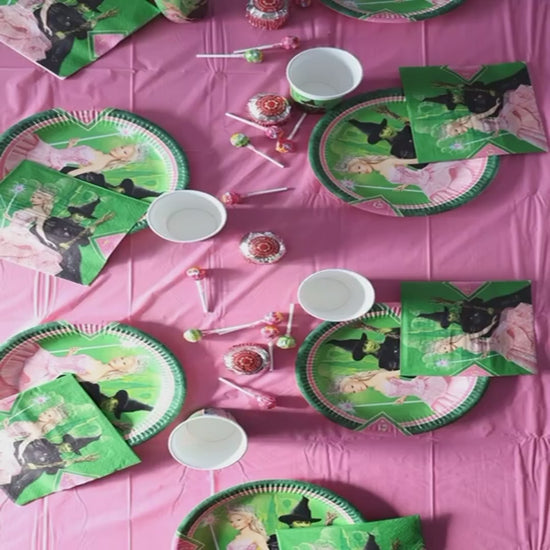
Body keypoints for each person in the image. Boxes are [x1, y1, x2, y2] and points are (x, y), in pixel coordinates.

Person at [427, 303, 536, 371]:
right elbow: (483, 344)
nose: (449, 350)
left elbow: (482, 334)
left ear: (445, 343)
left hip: (500, 341)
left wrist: (492, 325)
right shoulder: (465, 344)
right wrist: (485, 352)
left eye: (445, 348)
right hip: (499, 347)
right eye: (446, 352)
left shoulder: (464, 338)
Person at [0, 343, 144, 394]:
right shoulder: (98, 363)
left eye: (123, 363)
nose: (119, 360)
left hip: (49, 371)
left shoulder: (98, 373)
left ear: (123, 370)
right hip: (50, 362)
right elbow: (68, 364)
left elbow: (72, 376)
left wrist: (63, 370)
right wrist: (70, 354)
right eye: (122, 358)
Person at [441, 85, 547, 150]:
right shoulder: (476, 128)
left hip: (506, 119)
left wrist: (496, 105)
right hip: (507, 126)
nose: (460, 132)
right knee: (532, 133)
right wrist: (496, 132)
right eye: (458, 134)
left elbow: (488, 113)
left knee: (527, 120)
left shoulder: (473, 118)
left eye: (456, 130)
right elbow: (495, 126)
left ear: (456, 124)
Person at [339, 154, 478, 203]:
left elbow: (412, 161)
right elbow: (406, 177)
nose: (362, 171)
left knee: (455, 182)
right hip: (424, 186)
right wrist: (404, 185)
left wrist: (433, 157)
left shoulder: (388, 162)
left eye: (359, 167)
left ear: (362, 161)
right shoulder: (381, 173)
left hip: (428, 178)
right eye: (359, 172)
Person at [31, 197, 108, 284]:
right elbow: (36, 230)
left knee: (70, 277)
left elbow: (84, 243)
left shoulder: (80, 229)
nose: (81, 218)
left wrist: (89, 233)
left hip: (71, 256)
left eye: (84, 217)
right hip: (49, 251)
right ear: (73, 212)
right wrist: (58, 243)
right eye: (79, 215)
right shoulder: (56, 221)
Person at [335, 369, 471, 415]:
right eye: (353, 392)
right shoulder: (376, 388)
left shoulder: (380, 377)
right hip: (422, 394)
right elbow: (403, 387)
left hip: (426, 386)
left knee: (453, 389)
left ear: (354, 379)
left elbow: (403, 373)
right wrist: (402, 398)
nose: (356, 390)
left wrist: (421, 374)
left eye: (352, 386)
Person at [9, 134, 148, 176]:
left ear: (124, 158)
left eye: (124, 152)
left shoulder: (101, 163)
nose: (119, 149)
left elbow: (73, 173)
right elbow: (68, 155)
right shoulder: (101, 153)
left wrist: (55, 177)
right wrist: (70, 145)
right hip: (51, 152)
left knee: (16, 155)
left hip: (47, 159)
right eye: (122, 147)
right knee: (18, 144)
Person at [0, 187, 63, 275]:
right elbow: (18, 221)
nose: (34, 199)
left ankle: (9, 272)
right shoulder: (29, 208)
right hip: (9, 230)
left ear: (45, 201)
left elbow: (39, 228)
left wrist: (45, 239)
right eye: (33, 196)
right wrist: (8, 217)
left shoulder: (41, 213)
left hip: (19, 233)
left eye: (39, 198)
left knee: (15, 253)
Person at [0, 403, 67, 484]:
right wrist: (6, 425)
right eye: (45, 412)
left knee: (10, 463)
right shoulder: (29, 422)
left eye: (49, 416)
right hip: (3, 435)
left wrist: (20, 455)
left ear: (52, 421)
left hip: (7, 441)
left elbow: (24, 444)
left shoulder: (37, 432)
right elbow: (11, 431)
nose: (44, 414)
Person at [328, 328, 400, 370]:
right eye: (365, 347)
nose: (370, 345)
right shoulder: (384, 362)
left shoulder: (390, 338)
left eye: (367, 342)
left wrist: (393, 330)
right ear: (366, 353)